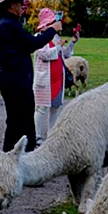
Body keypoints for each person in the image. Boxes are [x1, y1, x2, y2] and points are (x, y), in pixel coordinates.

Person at [0, 0, 60, 152]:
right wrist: (52, 30)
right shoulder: (10, 25)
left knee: (19, 121)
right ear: (10, 5)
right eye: (19, 3)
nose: (22, 5)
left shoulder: (6, 23)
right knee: (21, 121)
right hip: (17, 81)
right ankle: (18, 155)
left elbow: (26, 42)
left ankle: (15, 155)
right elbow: (32, 44)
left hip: (13, 79)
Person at [32, 8, 78, 143]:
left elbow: (65, 54)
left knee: (55, 107)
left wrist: (72, 42)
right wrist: (58, 47)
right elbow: (45, 55)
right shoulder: (38, 38)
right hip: (45, 80)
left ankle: (51, 136)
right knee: (42, 108)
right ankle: (38, 137)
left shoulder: (55, 37)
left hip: (57, 79)